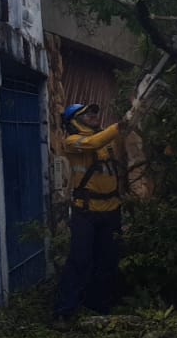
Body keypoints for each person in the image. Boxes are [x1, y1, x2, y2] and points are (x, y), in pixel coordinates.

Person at [54, 103, 128, 323]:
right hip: (85, 213)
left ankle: (100, 308)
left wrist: (136, 110)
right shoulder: (72, 141)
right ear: (74, 120)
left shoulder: (107, 140)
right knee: (80, 260)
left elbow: (118, 136)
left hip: (111, 211)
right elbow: (95, 142)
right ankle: (64, 312)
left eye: (95, 112)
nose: (94, 115)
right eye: (87, 113)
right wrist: (120, 124)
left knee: (108, 261)